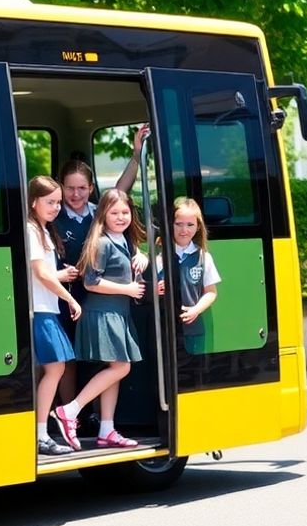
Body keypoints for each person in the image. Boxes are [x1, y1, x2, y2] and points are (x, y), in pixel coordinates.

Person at [54, 125, 150, 406]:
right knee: (67, 359)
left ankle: (94, 416)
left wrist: (136, 154)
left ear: (91, 189)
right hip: (64, 296)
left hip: (99, 298)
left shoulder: (99, 212)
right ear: (60, 187)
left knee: (106, 361)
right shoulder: (53, 216)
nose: (76, 194)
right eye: (70, 188)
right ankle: (71, 418)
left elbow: (120, 192)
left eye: (82, 188)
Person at [54, 188, 147, 450]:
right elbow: (91, 282)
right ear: (103, 214)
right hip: (103, 313)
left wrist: (142, 255)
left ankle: (107, 430)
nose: (121, 217)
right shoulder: (102, 242)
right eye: (114, 212)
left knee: (114, 371)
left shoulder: (124, 241)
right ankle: (70, 410)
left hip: (117, 313)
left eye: (125, 212)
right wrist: (127, 289)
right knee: (121, 368)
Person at [25, 176, 83, 457]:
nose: (56, 207)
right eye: (50, 202)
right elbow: (41, 274)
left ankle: (40, 430)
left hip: (45, 307)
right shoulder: (31, 230)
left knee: (53, 368)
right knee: (55, 368)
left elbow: (43, 274)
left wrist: (59, 278)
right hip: (41, 310)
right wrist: (69, 298)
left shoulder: (43, 230)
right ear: (33, 202)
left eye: (58, 203)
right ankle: (40, 434)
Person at [157, 197, 221, 354]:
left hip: (193, 330)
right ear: (170, 224)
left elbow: (211, 292)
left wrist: (196, 310)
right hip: (163, 328)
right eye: (178, 224)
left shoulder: (203, 257)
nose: (184, 230)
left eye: (190, 225)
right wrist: (156, 289)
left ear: (198, 227)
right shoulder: (158, 256)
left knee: (194, 366)